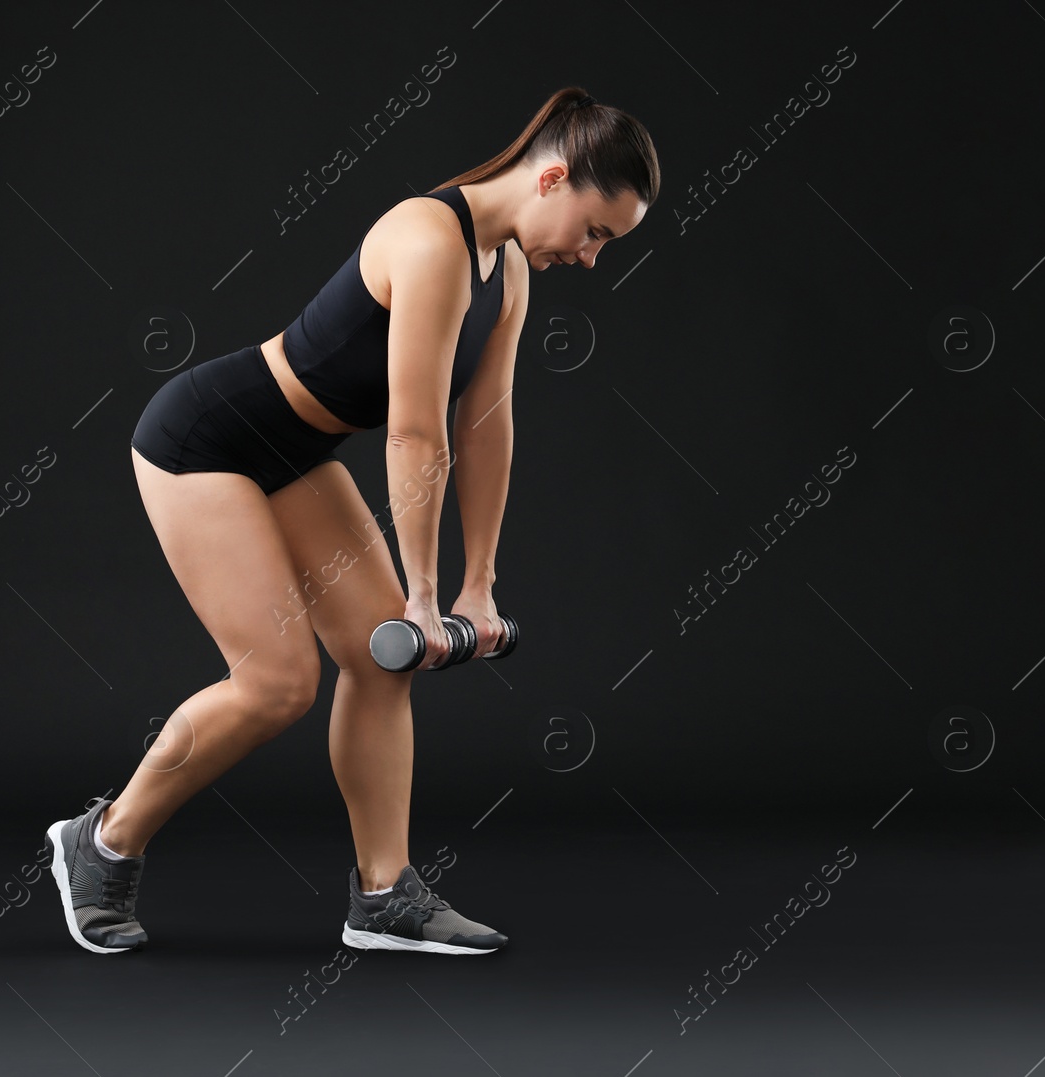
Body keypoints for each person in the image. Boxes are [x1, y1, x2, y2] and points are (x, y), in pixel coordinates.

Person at [45, 86, 659, 955]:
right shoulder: (427, 237)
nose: (593, 258)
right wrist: (424, 594)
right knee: (277, 683)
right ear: (554, 177)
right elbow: (414, 432)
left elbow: (486, 429)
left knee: (377, 661)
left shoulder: (510, 270)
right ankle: (102, 840)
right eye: (596, 231)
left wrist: (478, 587)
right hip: (206, 436)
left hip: (293, 451)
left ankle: (382, 896)